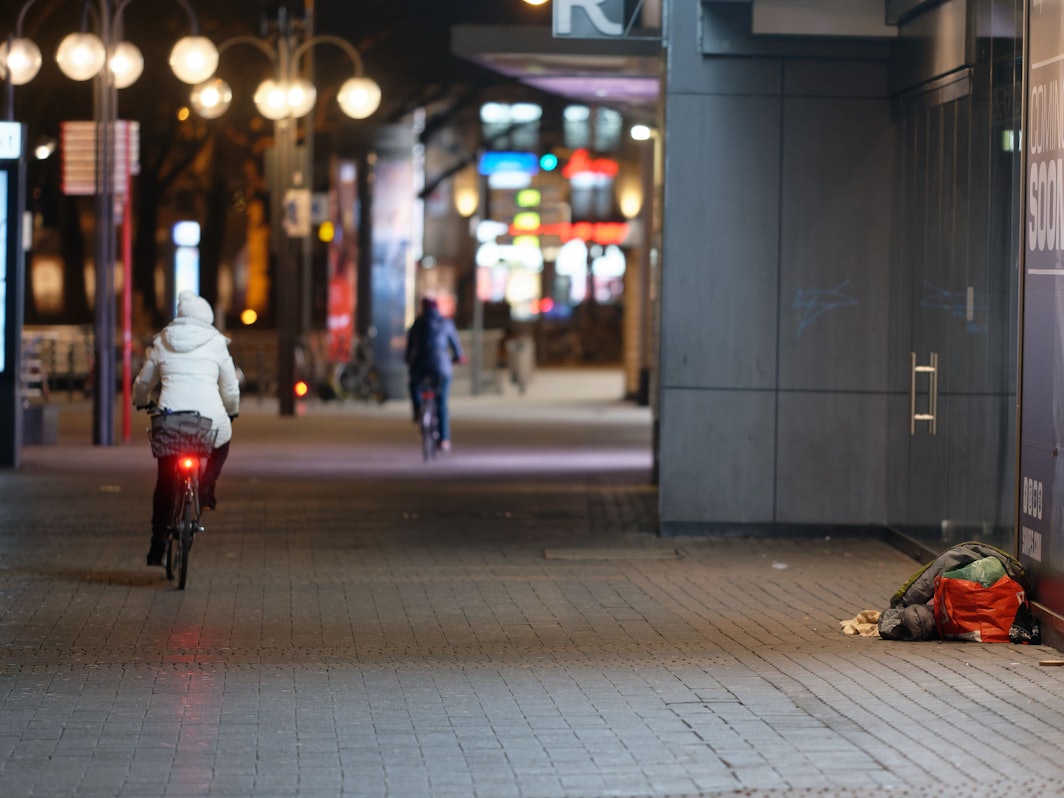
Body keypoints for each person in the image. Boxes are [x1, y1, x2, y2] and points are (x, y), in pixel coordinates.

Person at [132, 290, 240, 566]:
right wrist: (231, 409)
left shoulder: (163, 341)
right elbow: (229, 386)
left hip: (170, 418)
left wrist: (141, 402)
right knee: (223, 440)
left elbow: (144, 383)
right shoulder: (216, 343)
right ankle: (206, 487)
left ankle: (157, 545)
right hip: (208, 421)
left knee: (165, 482)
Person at [405, 296, 464, 451]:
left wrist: (408, 359)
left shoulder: (417, 324)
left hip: (420, 365)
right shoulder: (446, 323)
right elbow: (456, 345)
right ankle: (444, 439)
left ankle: (418, 410)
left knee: (414, 384)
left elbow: (410, 349)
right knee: (442, 402)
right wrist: (459, 357)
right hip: (442, 367)